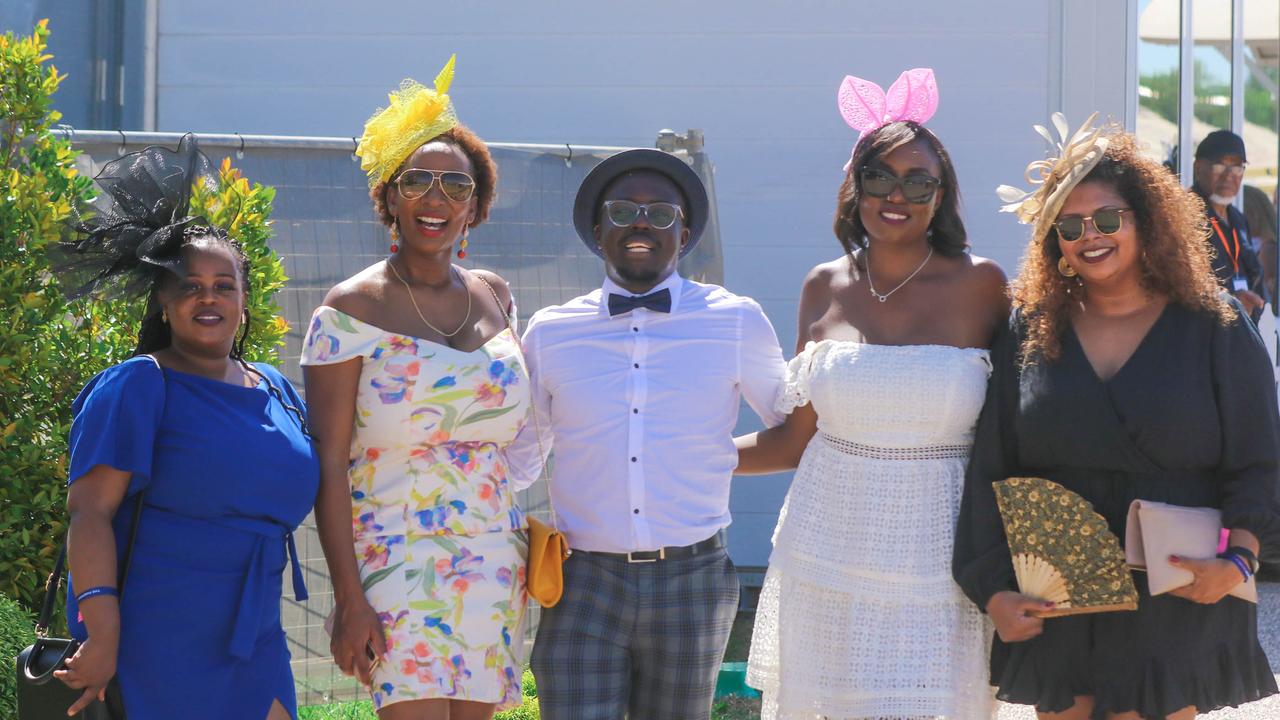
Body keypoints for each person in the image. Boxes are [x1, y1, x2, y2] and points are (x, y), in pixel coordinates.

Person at [955, 118, 1280, 719]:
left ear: (1146, 221)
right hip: (1060, 594)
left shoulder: (1217, 326)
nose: (1089, 236)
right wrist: (993, 587)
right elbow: (992, 467)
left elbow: (1259, 458)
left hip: (1179, 590)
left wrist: (1238, 560)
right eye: (1069, 226)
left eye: (1107, 219)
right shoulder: (1029, 329)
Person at [734, 68, 1007, 719]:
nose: (897, 194)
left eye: (919, 181)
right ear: (852, 187)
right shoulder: (821, 286)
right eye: (879, 176)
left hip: (944, 566)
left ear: (942, 197)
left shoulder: (983, 286)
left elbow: (1026, 423)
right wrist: (681, 452)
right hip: (826, 553)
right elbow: (792, 441)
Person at [508, 147, 787, 720]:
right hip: (582, 580)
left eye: (661, 213)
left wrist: (710, 458)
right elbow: (520, 461)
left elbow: (791, 429)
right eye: (623, 210)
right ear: (595, 227)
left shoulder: (735, 321)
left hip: (693, 578)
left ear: (683, 234)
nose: (641, 222)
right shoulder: (549, 334)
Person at [50, 135, 319, 719]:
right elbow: (90, 513)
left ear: (245, 301)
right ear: (164, 305)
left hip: (255, 632)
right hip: (154, 634)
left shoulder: (274, 386)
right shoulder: (138, 385)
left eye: (225, 286)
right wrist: (101, 632)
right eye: (189, 287)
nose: (208, 298)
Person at [301, 55, 529, 719]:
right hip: (392, 557)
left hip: (491, 555)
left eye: (456, 186)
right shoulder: (351, 310)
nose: (437, 198)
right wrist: (348, 596)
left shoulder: (495, 297)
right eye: (418, 181)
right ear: (389, 197)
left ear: (477, 206)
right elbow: (328, 463)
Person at [1191, 129, 1266, 320]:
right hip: (1205, 332)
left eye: (1237, 168)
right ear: (1198, 168)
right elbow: (1182, 284)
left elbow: (1254, 273)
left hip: (1242, 329)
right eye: (1220, 166)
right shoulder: (1184, 215)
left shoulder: (1238, 219)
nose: (1228, 176)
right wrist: (1229, 300)